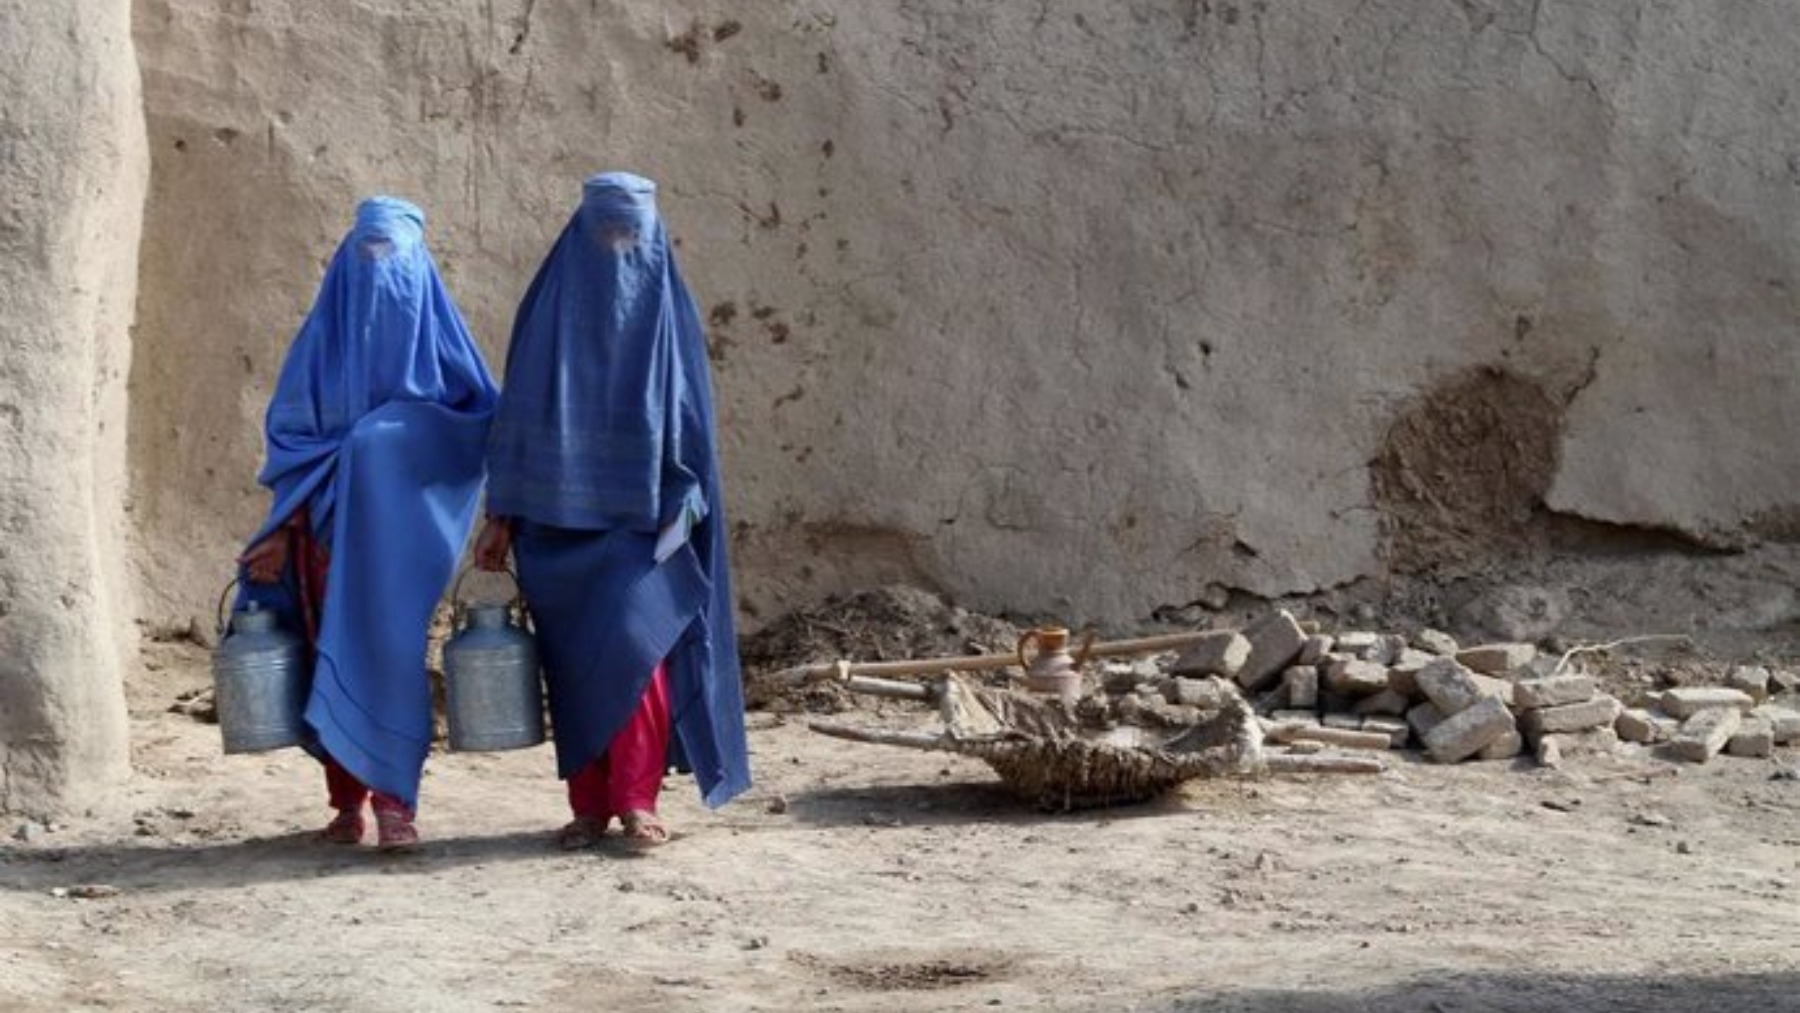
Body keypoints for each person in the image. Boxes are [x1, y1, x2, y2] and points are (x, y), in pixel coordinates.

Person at [474, 172, 750, 848]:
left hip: (642, 522)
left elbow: (690, 422)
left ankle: (636, 797)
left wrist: (686, 505)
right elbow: (519, 419)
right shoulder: (546, 313)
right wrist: (502, 513)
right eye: (607, 231)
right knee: (574, 670)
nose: (619, 247)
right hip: (553, 526)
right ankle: (589, 804)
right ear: (581, 232)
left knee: (637, 651)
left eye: (632, 233)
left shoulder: (670, 315)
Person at [238, 196, 498, 851]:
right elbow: (293, 442)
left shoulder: (445, 355)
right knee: (330, 653)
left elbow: (474, 429)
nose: (379, 270)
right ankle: (346, 803)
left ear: (420, 269)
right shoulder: (318, 350)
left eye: (394, 257)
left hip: (400, 550)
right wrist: (282, 527)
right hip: (320, 539)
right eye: (367, 254)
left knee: (387, 657)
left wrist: (383, 439)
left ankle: (396, 802)